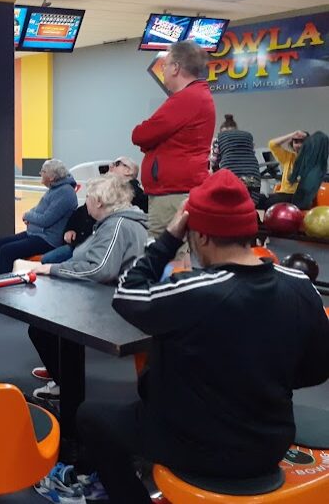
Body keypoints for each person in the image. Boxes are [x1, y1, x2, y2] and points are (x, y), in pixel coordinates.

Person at [78, 170, 329, 504]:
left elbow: (126, 293)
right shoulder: (301, 286)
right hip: (270, 444)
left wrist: (168, 238)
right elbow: (316, 369)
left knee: (90, 417)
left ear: (203, 237)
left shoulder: (194, 290)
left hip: (197, 447)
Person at [27, 175, 149, 399]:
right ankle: (63, 376)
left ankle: (68, 387)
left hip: (112, 305)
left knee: (44, 328)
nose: (86, 202)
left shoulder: (116, 226)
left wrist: (54, 269)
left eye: (89, 198)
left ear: (100, 202)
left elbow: (100, 269)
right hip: (105, 296)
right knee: (47, 328)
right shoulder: (112, 223)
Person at [132, 40, 215, 256]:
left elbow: (141, 134)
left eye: (166, 65)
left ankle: (171, 290)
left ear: (176, 68)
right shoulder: (197, 96)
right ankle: (177, 287)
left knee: (166, 249)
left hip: (171, 192)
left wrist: (150, 143)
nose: (164, 70)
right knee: (177, 250)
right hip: (179, 188)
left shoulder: (186, 99)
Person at [0, 159, 76, 278]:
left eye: (43, 171)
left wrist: (27, 216)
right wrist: (30, 215)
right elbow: (38, 210)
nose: (40, 174)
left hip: (47, 241)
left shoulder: (65, 193)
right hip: (35, 234)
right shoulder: (55, 189)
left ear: (51, 176)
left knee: (6, 251)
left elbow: (46, 220)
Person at [40, 157, 147, 265]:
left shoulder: (134, 197)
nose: (111, 166)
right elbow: (81, 211)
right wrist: (70, 228)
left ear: (128, 171)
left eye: (117, 163)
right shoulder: (107, 188)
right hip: (81, 242)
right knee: (47, 260)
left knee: (53, 264)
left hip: (95, 248)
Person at [212, 114, 262, 205]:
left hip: (232, 178)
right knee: (251, 206)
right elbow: (252, 154)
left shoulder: (219, 139)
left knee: (230, 205)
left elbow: (215, 161)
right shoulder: (248, 137)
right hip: (254, 176)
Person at [264, 130, 308, 206]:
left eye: (302, 142)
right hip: (284, 194)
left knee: (266, 202)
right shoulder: (288, 157)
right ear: (292, 144)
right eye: (296, 142)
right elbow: (272, 144)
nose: (299, 145)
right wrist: (292, 134)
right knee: (259, 199)